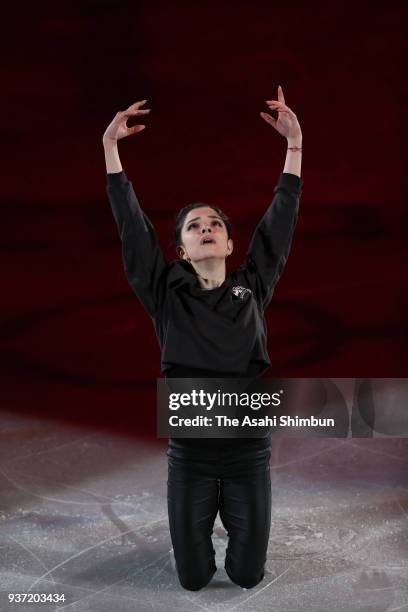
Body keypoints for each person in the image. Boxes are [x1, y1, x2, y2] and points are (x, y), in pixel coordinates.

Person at [102, 86, 303, 591]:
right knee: (193, 580)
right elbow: (132, 228)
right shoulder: (165, 291)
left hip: (246, 452)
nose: (207, 227)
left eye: (215, 223)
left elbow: (278, 227)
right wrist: (111, 151)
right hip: (189, 455)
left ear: (231, 243)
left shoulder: (251, 285)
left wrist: (294, 147)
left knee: (246, 575)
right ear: (182, 248)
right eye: (195, 226)